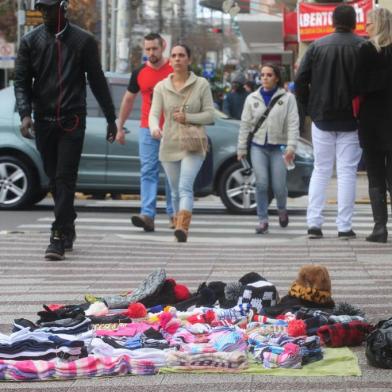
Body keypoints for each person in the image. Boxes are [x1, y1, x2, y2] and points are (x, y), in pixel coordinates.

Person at [14, 0, 117, 261]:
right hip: (44, 121)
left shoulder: (83, 41)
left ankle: (57, 236)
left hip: (72, 120)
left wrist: (110, 118)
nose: (45, 14)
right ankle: (68, 221)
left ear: (63, 9)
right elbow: (22, 82)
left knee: (64, 178)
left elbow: (96, 80)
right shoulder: (30, 41)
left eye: (50, 9)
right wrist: (26, 114)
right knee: (54, 179)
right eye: (42, 9)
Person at [295, 4, 364, 240]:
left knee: (321, 170)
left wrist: (307, 108)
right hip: (352, 119)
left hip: (321, 117)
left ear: (333, 21)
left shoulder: (317, 46)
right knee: (347, 172)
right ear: (355, 22)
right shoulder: (362, 46)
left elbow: (300, 79)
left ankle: (314, 224)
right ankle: (344, 226)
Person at [149, 44, 214, 242]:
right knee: (175, 190)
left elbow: (210, 115)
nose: (177, 58)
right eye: (174, 55)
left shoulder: (201, 84)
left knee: (185, 187)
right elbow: (154, 113)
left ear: (189, 60)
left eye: (182, 55)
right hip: (169, 142)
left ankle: (182, 228)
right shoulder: (162, 86)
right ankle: (177, 222)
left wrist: (188, 117)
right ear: (170, 60)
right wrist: (154, 128)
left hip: (193, 144)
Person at [116, 33, 174, 232]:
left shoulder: (174, 69)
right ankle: (147, 215)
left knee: (171, 172)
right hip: (147, 129)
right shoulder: (139, 72)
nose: (151, 53)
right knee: (148, 170)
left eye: (154, 48)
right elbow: (128, 100)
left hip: (173, 129)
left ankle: (174, 214)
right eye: (147, 49)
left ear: (163, 46)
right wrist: (119, 127)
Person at [237, 63, 299, 234]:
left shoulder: (288, 98)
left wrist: (291, 146)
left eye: (269, 75)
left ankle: (281, 209)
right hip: (258, 147)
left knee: (279, 185)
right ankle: (262, 219)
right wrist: (241, 148)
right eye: (262, 75)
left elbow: (293, 124)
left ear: (277, 78)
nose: (265, 78)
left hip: (279, 147)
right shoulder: (252, 98)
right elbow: (245, 125)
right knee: (262, 183)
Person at [355, 8, 392, 243]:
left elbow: (357, 86)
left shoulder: (366, 50)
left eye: (368, 23)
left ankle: (380, 228)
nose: (365, 27)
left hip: (371, 120)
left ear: (376, 25)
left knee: (376, 175)